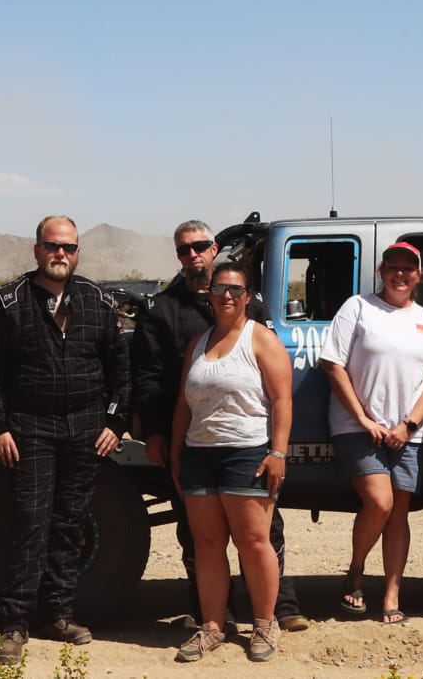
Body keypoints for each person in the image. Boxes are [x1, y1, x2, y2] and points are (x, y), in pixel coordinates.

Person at [130, 221, 308, 633]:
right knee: (199, 538)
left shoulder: (250, 302)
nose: (193, 254)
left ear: (214, 248)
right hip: (194, 441)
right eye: (185, 249)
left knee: (262, 532)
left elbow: (279, 392)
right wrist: (156, 434)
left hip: (247, 443)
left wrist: (277, 450)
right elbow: (149, 377)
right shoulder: (162, 309)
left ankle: (279, 608)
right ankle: (214, 617)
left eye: (201, 246)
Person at [0, 216, 129, 666]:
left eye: (69, 247)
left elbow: (120, 367)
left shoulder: (97, 300)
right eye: (53, 245)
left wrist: (115, 422)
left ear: (77, 252)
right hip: (30, 428)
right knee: (30, 522)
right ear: (37, 249)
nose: (61, 253)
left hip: (85, 428)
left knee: (69, 523)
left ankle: (57, 615)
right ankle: (14, 623)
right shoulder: (10, 299)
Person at [320, 241, 423, 625]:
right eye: (392, 267)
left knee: (399, 513)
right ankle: (356, 571)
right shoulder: (358, 307)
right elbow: (333, 365)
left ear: (419, 275)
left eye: (408, 268)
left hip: (409, 432)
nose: (400, 274)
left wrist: (408, 425)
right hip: (357, 427)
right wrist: (363, 419)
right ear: (381, 272)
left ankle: (392, 594)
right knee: (380, 503)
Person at [169, 261, 293, 663]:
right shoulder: (198, 343)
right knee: (206, 545)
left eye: (235, 290)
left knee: (254, 542)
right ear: (209, 294)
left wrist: (277, 453)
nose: (227, 295)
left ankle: (265, 623)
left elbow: (282, 400)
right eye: (220, 288)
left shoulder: (261, 340)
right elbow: (183, 405)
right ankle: (212, 626)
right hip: (199, 455)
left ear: (247, 297)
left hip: (247, 452)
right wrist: (176, 453)